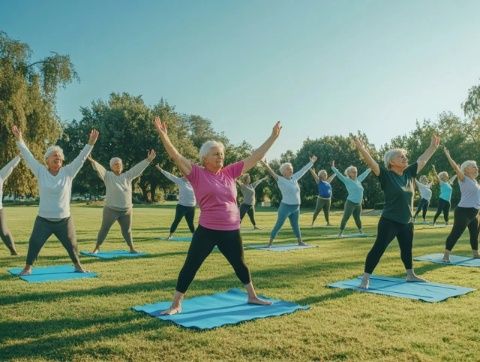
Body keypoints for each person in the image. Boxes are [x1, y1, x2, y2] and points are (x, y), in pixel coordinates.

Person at [153, 117, 281, 315]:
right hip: (207, 230)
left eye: (221, 154)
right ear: (205, 158)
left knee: (240, 264)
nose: (220, 157)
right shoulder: (196, 173)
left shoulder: (230, 173)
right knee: (191, 265)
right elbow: (176, 156)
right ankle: (176, 304)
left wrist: (272, 137)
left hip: (231, 230)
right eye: (215, 154)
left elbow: (255, 157)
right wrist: (163, 135)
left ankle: (252, 296)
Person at [353, 135, 440, 289]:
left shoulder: (409, 174)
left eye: (405, 156)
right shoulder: (386, 176)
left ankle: (410, 274)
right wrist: (361, 148)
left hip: (407, 221)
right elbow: (372, 163)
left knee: (407, 249)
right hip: (389, 221)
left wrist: (432, 147)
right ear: (391, 162)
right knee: (379, 248)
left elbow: (422, 160)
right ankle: (365, 279)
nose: (405, 158)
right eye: (401, 156)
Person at [12, 125, 98, 275]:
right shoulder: (40, 171)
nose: (57, 157)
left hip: (64, 220)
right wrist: (19, 139)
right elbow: (28, 156)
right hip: (43, 220)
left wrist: (90, 143)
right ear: (47, 160)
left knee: (72, 245)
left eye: (59, 155)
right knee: (34, 243)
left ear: (62, 160)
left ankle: (78, 266)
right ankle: (27, 268)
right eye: (54, 155)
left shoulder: (68, 172)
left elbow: (81, 158)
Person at [88, 151, 156, 254]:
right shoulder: (107, 176)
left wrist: (148, 160)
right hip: (111, 209)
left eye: (119, 164)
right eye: (115, 164)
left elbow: (137, 168)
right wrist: (93, 161)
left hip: (126, 210)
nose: (118, 165)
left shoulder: (127, 176)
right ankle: (97, 247)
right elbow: (100, 168)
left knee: (127, 231)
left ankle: (132, 248)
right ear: (111, 167)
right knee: (104, 229)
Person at [261, 156, 317, 247]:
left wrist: (311, 162)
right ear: (283, 172)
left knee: (295, 225)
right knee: (279, 225)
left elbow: (303, 170)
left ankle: (300, 241)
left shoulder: (294, 178)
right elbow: (272, 173)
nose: (291, 170)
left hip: (296, 207)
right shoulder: (280, 180)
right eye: (288, 169)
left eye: (291, 169)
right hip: (285, 207)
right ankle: (269, 243)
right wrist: (266, 164)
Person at [441, 148, 480, 262]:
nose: (475, 167)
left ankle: (475, 254)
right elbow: (455, 167)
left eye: (475, 165)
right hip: (463, 211)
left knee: (474, 234)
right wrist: (448, 155)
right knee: (456, 233)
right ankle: (446, 256)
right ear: (466, 169)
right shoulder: (463, 178)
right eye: (472, 165)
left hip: (475, 212)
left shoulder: (475, 182)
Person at [331, 161, 371, 237]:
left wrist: (370, 167)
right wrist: (333, 168)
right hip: (350, 203)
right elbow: (339, 175)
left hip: (358, 204)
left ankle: (361, 231)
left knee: (358, 219)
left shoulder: (358, 180)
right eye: (353, 172)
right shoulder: (347, 180)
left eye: (356, 172)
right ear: (349, 173)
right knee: (346, 217)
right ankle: (340, 233)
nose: (355, 173)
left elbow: (365, 174)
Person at [156, 164, 196, 239]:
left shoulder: (193, 182)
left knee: (191, 223)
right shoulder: (180, 181)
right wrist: (160, 169)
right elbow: (170, 176)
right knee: (177, 221)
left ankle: (194, 236)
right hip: (182, 206)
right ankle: (170, 236)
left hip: (191, 207)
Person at [0, 155, 21, 255]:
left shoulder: (0, 175)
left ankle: (13, 250)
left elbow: (10, 166)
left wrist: (19, 156)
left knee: (3, 232)